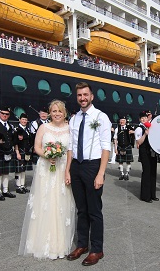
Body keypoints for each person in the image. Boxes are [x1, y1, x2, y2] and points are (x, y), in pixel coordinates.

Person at [19, 100, 76, 259]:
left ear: (64, 113)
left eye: (60, 111)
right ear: (50, 113)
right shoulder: (43, 127)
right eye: (54, 111)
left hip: (63, 168)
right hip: (46, 167)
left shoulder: (70, 128)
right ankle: (41, 242)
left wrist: (68, 170)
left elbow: (70, 151)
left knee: (61, 203)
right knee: (45, 202)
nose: (57, 114)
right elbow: (37, 146)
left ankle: (59, 244)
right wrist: (47, 155)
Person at [65, 82, 111, 266]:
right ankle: (82, 244)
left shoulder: (101, 117)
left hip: (93, 166)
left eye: (85, 95)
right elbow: (70, 146)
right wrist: (68, 170)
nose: (82, 98)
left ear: (92, 96)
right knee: (81, 209)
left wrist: (101, 173)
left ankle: (97, 249)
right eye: (79, 95)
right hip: (76, 166)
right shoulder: (75, 118)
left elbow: (106, 147)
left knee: (94, 210)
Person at [0, 106, 17, 200]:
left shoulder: (10, 125)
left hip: (8, 151)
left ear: (9, 115)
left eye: (7, 114)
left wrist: (12, 147)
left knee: (6, 172)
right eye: (3, 113)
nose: (5, 115)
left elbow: (12, 138)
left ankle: (5, 190)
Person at [135, 111, 158, 203]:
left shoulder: (149, 127)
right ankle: (145, 196)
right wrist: (145, 134)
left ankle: (152, 194)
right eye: (142, 118)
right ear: (140, 119)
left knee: (153, 172)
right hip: (144, 152)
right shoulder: (139, 129)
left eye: (145, 118)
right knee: (147, 172)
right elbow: (138, 142)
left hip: (152, 152)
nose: (144, 119)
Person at [14, 113, 33, 194]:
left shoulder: (28, 129)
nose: (24, 121)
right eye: (23, 119)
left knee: (23, 170)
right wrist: (17, 153)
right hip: (20, 151)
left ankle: (22, 185)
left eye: (25, 120)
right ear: (19, 120)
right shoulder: (17, 129)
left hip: (26, 151)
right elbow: (15, 143)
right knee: (19, 170)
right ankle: (18, 186)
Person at [114, 116, 134, 180]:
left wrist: (132, 132)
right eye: (121, 120)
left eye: (123, 120)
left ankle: (127, 173)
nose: (122, 122)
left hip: (127, 146)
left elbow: (136, 132)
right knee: (120, 161)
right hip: (120, 146)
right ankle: (122, 173)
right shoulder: (117, 129)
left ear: (126, 121)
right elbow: (115, 139)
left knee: (128, 161)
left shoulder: (129, 128)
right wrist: (115, 148)